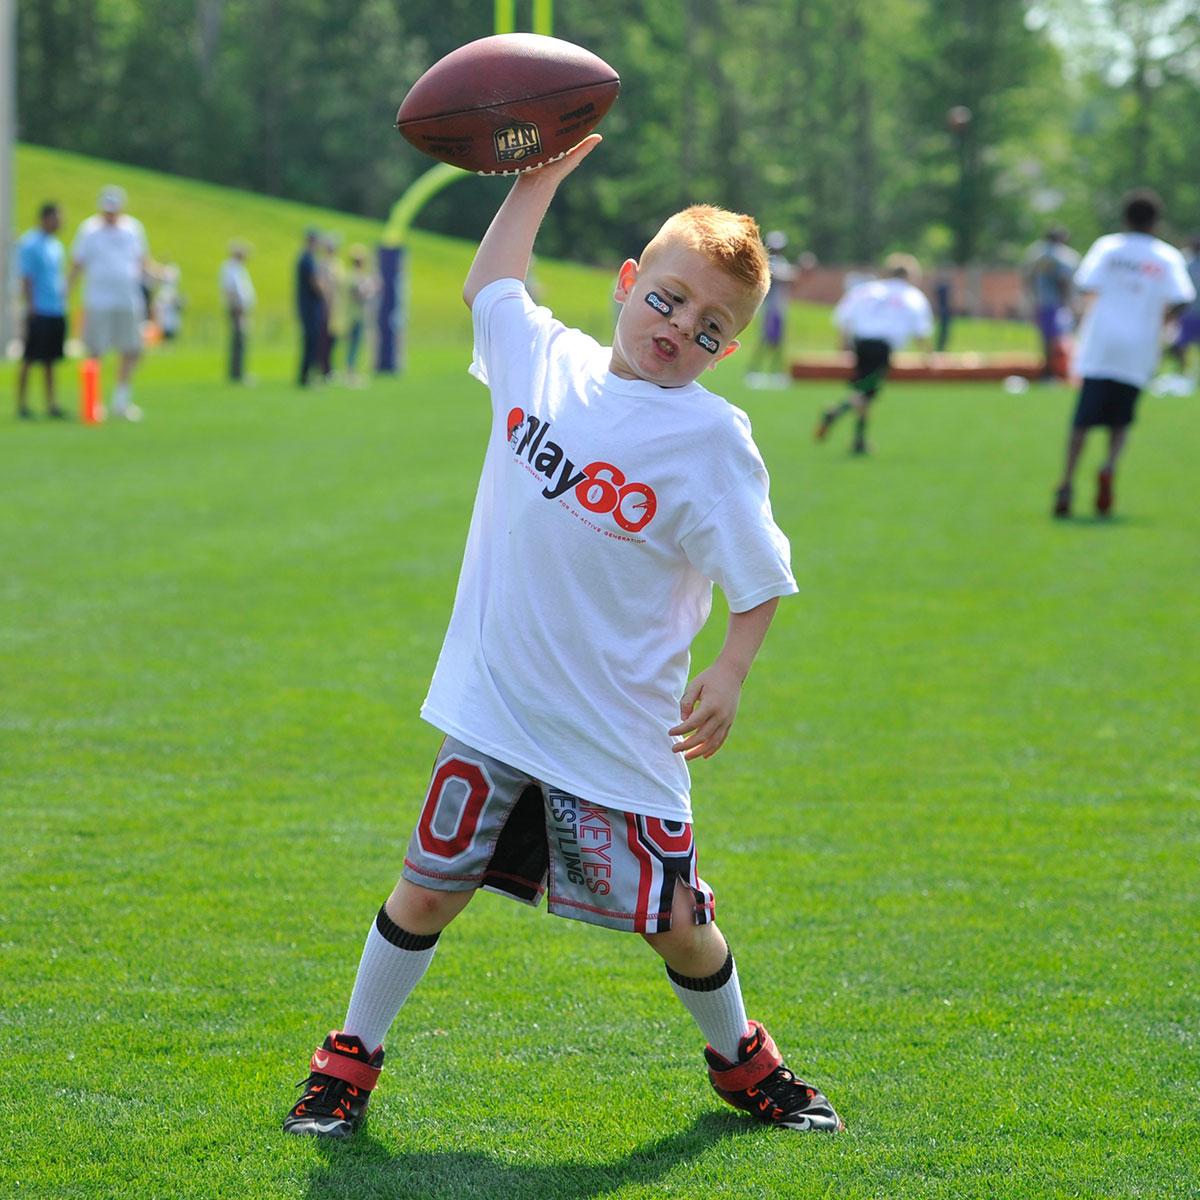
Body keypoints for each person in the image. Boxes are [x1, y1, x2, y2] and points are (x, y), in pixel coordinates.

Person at [281, 136, 844, 1141]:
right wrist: (539, 178)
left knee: (679, 924)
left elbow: (758, 575)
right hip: (499, 706)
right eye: (666, 299)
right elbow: (491, 284)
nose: (678, 329)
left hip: (617, 732)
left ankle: (744, 1063)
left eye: (709, 329)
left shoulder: (711, 440)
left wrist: (730, 668)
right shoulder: (545, 360)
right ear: (627, 283)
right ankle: (347, 1064)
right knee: (426, 891)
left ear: (727, 351)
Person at [1052, 189, 1195, 519]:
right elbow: (1183, 297)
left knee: (1082, 421)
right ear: (1156, 222)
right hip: (1139, 349)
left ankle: (1067, 482)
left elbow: (1085, 283)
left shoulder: (1108, 247)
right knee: (1121, 420)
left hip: (1101, 345)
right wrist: (1162, 321)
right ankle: (1109, 466)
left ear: (1125, 218)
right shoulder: (1166, 256)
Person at [815, 253, 933, 454]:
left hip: (860, 343)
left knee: (865, 392)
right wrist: (928, 356)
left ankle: (858, 440)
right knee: (865, 392)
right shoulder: (911, 295)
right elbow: (921, 330)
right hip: (882, 348)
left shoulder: (867, 290)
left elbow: (844, 317)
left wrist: (843, 346)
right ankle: (836, 412)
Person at [68, 185, 149, 421]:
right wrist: (67, 289)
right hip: (98, 299)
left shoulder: (133, 229)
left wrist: (160, 274)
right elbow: (78, 263)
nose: (110, 215)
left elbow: (142, 261)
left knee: (132, 349)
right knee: (95, 351)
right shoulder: (89, 230)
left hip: (127, 298)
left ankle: (121, 401)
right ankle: (93, 402)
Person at [15, 202, 69, 421]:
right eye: (56, 217)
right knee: (30, 357)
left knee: (50, 359)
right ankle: (22, 404)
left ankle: (52, 404)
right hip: (39, 309)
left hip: (56, 308)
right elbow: (26, 278)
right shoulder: (30, 243)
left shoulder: (56, 245)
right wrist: (30, 307)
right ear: (45, 218)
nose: (59, 222)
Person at [1022, 227, 1079, 380]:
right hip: (1057, 302)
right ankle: (1055, 371)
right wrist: (1068, 301)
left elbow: (1028, 278)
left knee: (1047, 337)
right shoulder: (1061, 255)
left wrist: (1033, 296)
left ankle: (1049, 370)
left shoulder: (1036, 253)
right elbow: (1063, 281)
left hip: (1042, 300)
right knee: (1059, 337)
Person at [744, 230, 794, 387]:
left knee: (779, 341)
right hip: (769, 307)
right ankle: (753, 370)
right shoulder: (767, 261)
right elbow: (776, 276)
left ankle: (776, 371)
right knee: (764, 339)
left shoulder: (783, 261)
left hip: (780, 307)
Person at [220, 240, 256, 383]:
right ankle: (238, 374)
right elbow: (231, 290)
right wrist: (238, 309)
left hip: (241, 308)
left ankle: (238, 372)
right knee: (239, 341)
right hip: (237, 309)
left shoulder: (238, 267)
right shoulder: (231, 268)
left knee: (240, 340)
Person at [1165, 235, 1200, 378]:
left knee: (1181, 345)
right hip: (1190, 312)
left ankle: (1183, 372)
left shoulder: (1186, 264)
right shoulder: (1186, 263)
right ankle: (1185, 373)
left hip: (1188, 312)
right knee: (1182, 345)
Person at [343, 244, 377, 386]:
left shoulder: (356, 276)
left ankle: (352, 371)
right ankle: (350, 374)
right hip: (354, 316)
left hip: (357, 315)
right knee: (353, 346)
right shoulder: (354, 277)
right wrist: (370, 290)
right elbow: (359, 295)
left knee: (356, 346)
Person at [296, 229, 324, 386]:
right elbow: (315, 283)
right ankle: (306, 377)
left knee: (310, 341)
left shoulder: (306, 258)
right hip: (310, 308)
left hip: (308, 307)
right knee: (311, 342)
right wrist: (325, 291)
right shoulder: (308, 259)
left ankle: (305, 376)